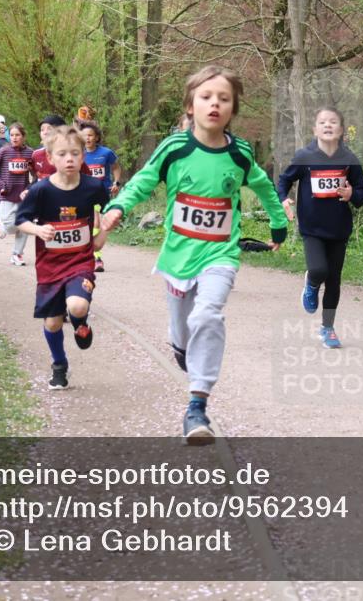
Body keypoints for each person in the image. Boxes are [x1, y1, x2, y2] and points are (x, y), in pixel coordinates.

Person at [100, 65, 288, 444]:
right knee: (183, 330)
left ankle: (197, 407)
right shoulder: (175, 148)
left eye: (223, 99)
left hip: (221, 253)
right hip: (177, 257)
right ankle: (181, 346)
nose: (214, 104)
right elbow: (144, 180)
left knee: (208, 314)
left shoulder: (240, 154)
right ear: (190, 106)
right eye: (206, 97)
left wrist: (278, 221)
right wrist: (119, 206)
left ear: (233, 109)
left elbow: (265, 186)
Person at [16, 126, 111, 390]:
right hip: (49, 265)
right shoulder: (41, 190)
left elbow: (108, 210)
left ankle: (80, 320)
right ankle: (59, 364)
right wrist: (37, 229)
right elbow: (20, 220)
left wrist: (103, 232)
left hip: (80, 260)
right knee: (53, 322)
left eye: (75, 153)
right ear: (50, 157)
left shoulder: (93, 187)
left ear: (83, 157)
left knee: (78, 306)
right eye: (62, 154)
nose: (69, 159)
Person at [277, 106, 363, 348]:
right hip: (312, 228)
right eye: (323, 122)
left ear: (341, 130)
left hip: (339, 229)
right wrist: (283, 199)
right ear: (315, 129)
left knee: (335, 280)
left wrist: (351, 194)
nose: (328, 125)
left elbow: (362, 194)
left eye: (333, 122)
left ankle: (327, 328)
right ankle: (311, 283)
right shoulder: (304, 157)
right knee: (318, 270)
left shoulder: (349, 160)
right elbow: (284, 180)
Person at [0, 122, 34, 266]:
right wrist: (0, 185)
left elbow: (36, 172)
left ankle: (17, 254)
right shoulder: (4, 151)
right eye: (12, 135)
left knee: (25, 224)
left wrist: (31, 187)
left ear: (23, 137)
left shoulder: (29, 153)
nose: (14, 138)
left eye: (17, 135)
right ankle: (2, 224)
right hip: (6, 194)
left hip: (23, 195)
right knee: (9, 224)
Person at [78, 119, 120, 272]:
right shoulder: (78, 154)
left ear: (96, 137)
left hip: (103, 192)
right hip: (85, 194)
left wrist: (116, 182)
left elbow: (115, 167)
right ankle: (96, 258)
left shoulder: (106, 153)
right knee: (93, 223)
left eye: (91, 135)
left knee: (97, 223)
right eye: (85, 136)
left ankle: (93, 256)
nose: (87, 138)